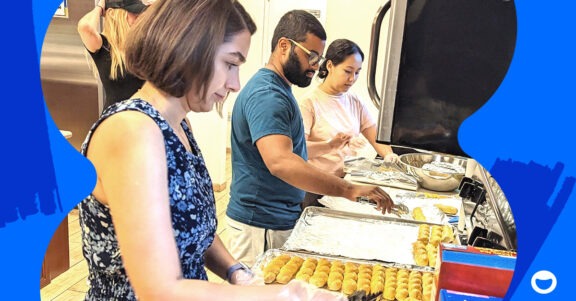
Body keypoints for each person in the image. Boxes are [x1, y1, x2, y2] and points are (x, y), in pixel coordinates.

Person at [78, 0, 345, 300]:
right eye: (230, 64)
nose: (235, 84)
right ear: (189, 51)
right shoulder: (131, 132)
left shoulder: (181, 127)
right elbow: (158, 289)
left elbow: (196, 228)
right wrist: (286, 295)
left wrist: (236, 272)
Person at [227, 10, 394, 267]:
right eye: (312, 56)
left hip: (276, 218)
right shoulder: (268, 95)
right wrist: (350, 190)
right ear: (284, 46)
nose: (316, 66)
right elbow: (281, 162)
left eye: (319, 58)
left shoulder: (280, 91)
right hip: (260, 225)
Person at [298, 39, 398, 207]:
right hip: (316, 187)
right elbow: (300, 151)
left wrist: (389, 154)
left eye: (357, 72)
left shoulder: (354, 101)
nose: (352, 79)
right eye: (347, 71)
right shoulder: (309, 104)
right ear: (329, 66)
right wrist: (330, 145)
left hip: (348, 184)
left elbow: (373, 134)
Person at [77, 0, 149, 110]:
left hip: (145, 118)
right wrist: (100, 7)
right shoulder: (103, 46)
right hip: (116, 120)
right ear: (113, 14)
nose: (138, 17)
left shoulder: (141, 43)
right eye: (134, 13)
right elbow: (85, 27)